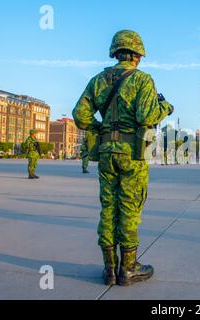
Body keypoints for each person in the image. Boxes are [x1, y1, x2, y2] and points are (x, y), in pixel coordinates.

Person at [73, 30, 173, 286]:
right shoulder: (142, 79)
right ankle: (128, 267)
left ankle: (109, 268)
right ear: (137, 55)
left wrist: (102, 130)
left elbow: (80, 115)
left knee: (108, 206)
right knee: (129, 206)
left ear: (116, 52)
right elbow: (146, 115)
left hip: (107, 153)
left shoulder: (98, 80)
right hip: (131, 154)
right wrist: (166, 107)